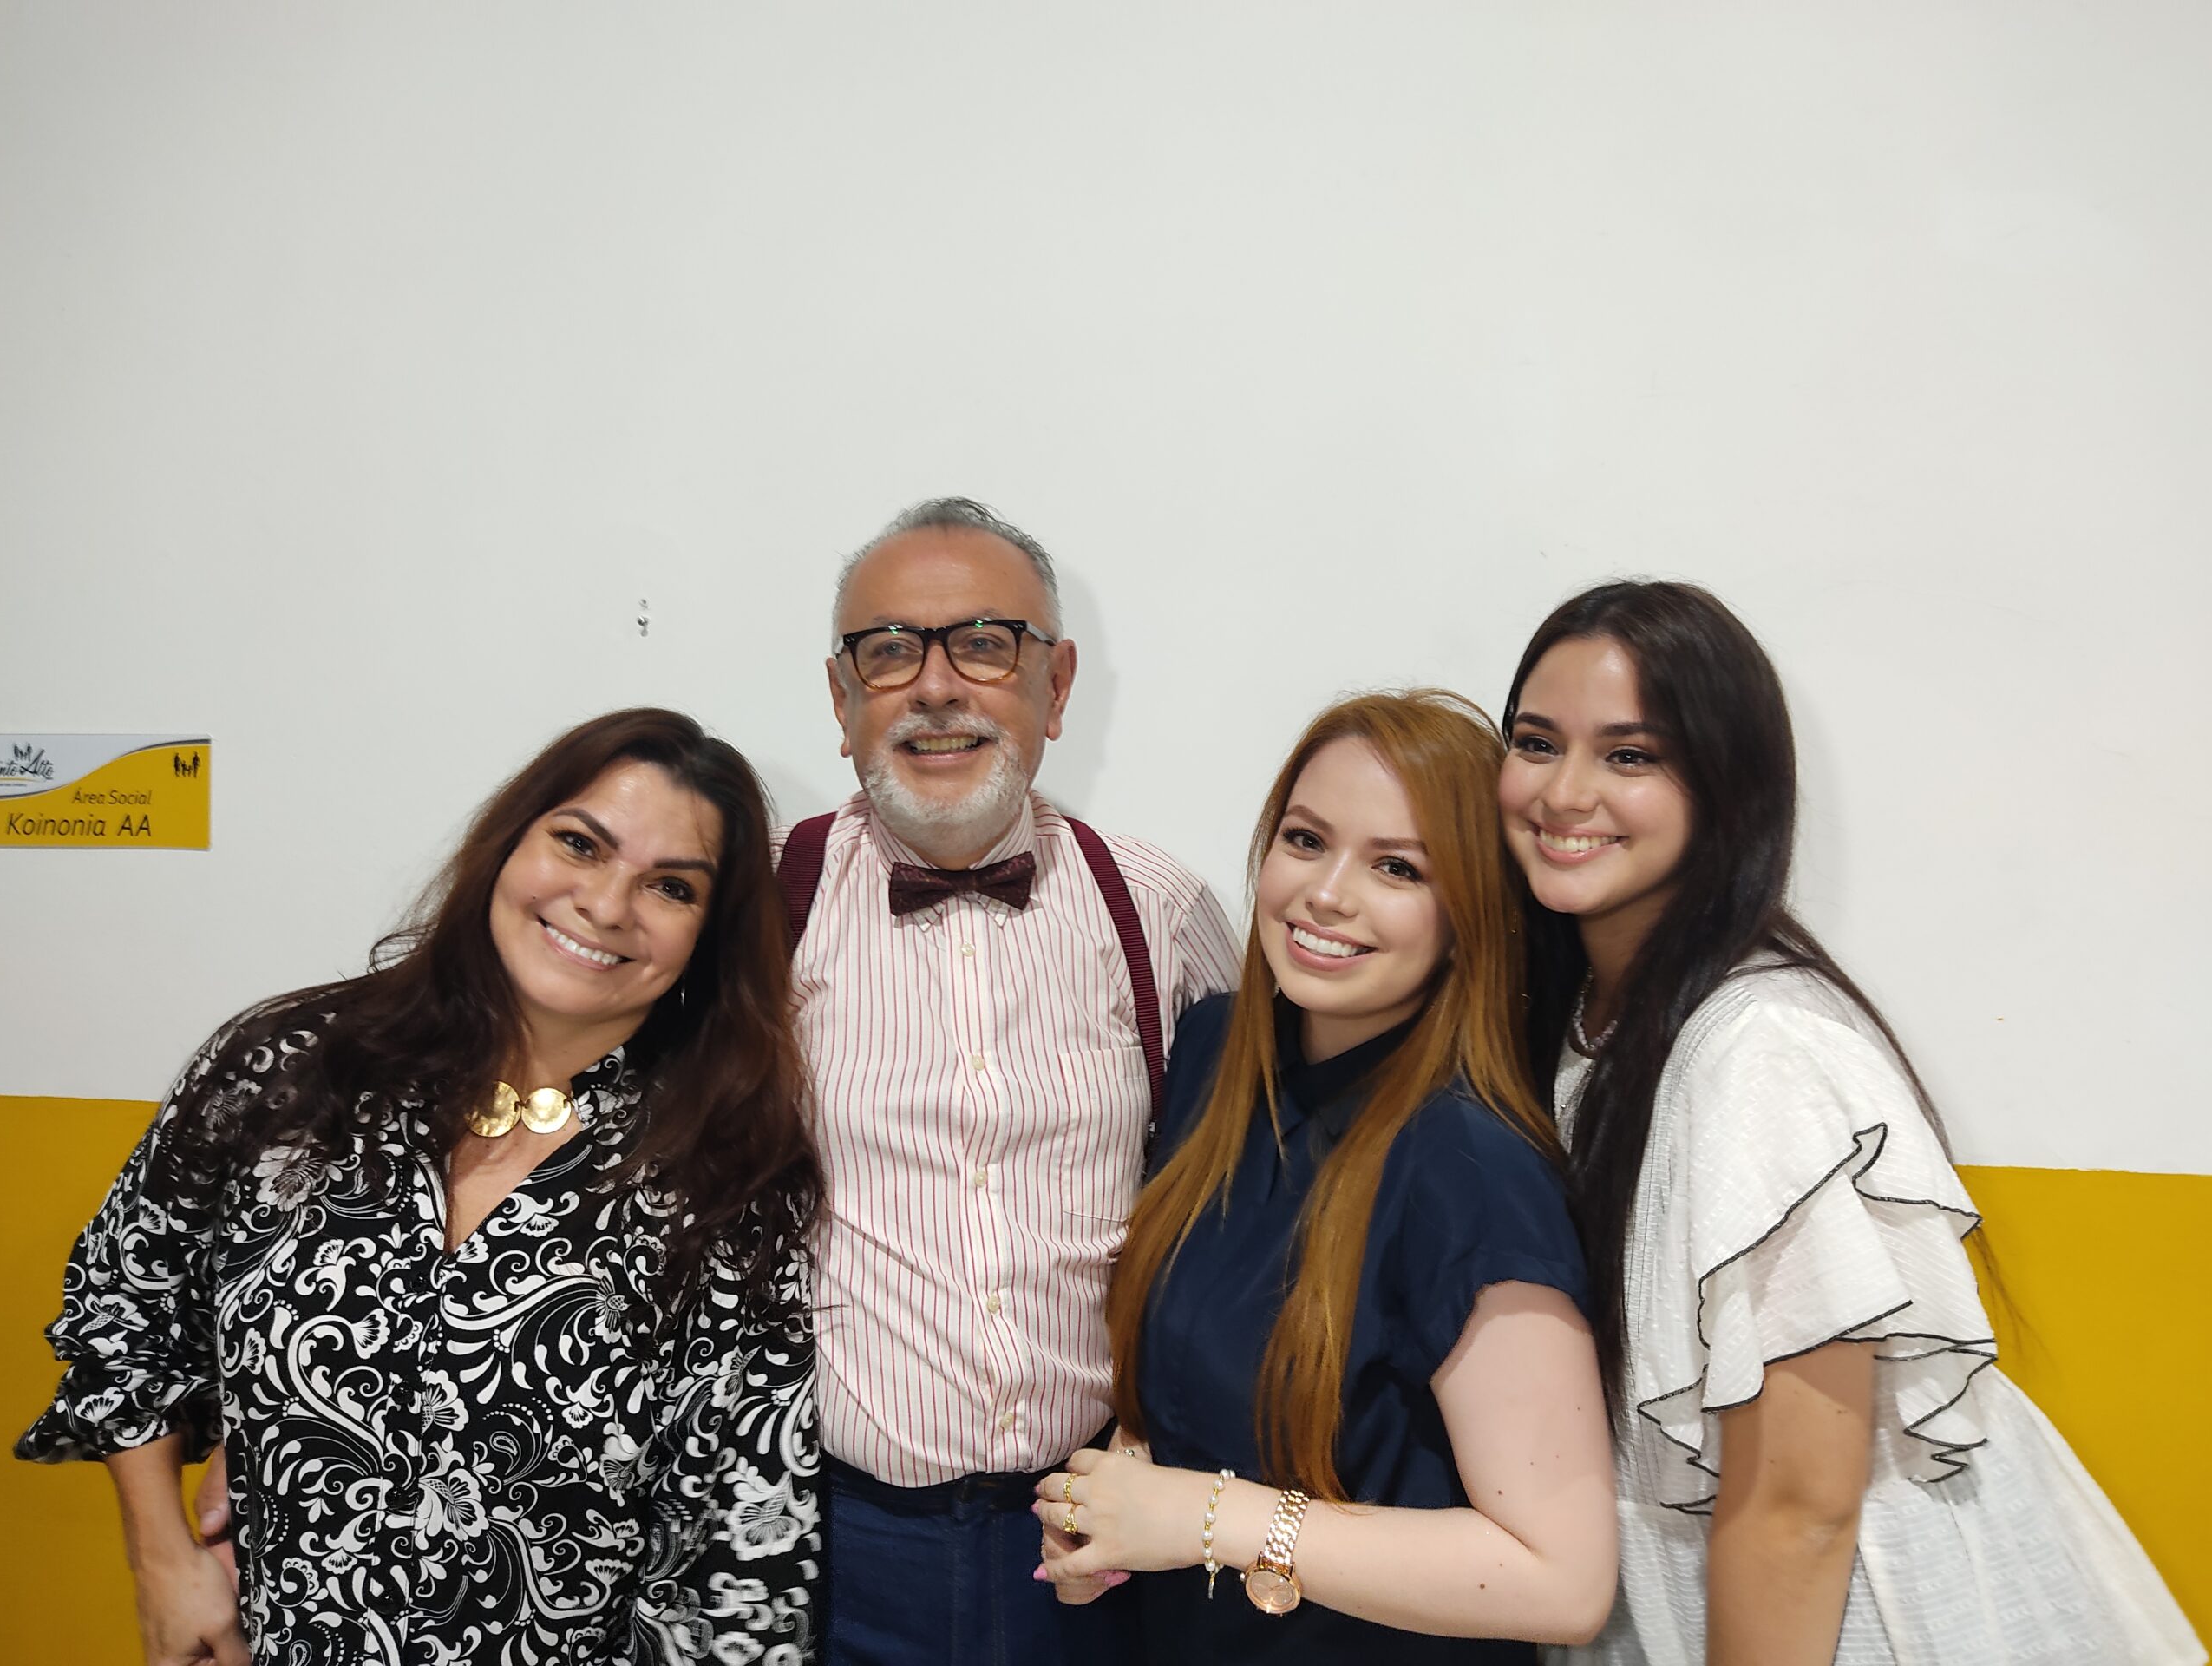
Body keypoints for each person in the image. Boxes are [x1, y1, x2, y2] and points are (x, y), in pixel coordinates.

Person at [18, 708, 825, 1666]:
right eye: (579, 843)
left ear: (707, 938)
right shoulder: (291, 1070)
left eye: (671, 886)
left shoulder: (727, 1177)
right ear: (508, 842)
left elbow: (737, 1545)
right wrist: (161, 1561)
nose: (608, 905)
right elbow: (125, 1305)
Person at [1496, 580, 2203, 1665]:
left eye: (1629, 755)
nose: (1564, 792)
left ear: (1724, 786)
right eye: (1536, 743)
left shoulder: (1759, 1051)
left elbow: (1800, 1508)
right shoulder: (1583, 1022)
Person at [1037, 690, 1618, 1661]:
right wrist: (1117, 1497)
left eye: (1397, 867)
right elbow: (1198, 1378)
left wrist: (1206, 1518)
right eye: (1306, 841)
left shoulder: (1471, 1168)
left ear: (1470, 914)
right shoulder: (1218, 1050)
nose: (1327, 894)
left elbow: (1562, 1580)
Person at [782, 497, 1240, 1664]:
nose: (937, 688)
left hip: (1099, 1544)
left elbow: (1239, 1204)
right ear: (840, 698)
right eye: (889, 651)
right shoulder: (763, 909)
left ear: (1057, 684)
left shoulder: (1160, 909)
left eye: (985, 644)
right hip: (835, 1548)